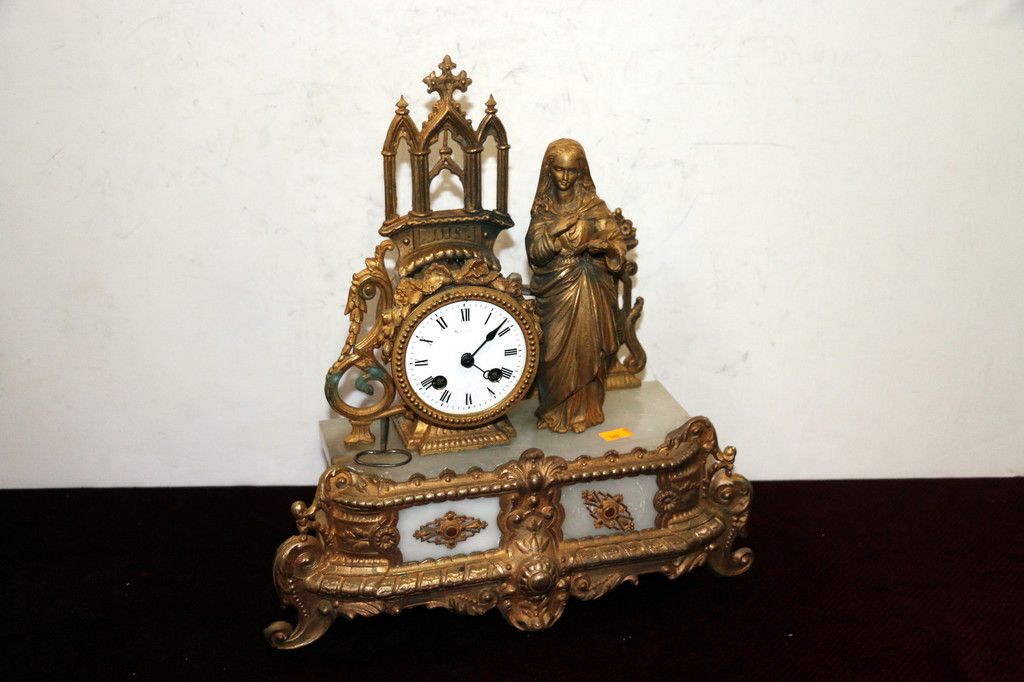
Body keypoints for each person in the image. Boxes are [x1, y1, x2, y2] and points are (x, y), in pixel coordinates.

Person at [526, 139, 628, 433]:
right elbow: (534, 253)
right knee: (552, 352)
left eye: (571, 171)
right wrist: (553, 232)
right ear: (549, 171)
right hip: (555, 291)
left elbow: (617, 243)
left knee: (588, 348)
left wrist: (605, 247)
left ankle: (586, 411)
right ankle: (554, 411)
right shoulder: (543, 209)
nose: (565, 177)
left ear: (581, 172)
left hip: (591, 286)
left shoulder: (594, 207)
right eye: (559, 170)